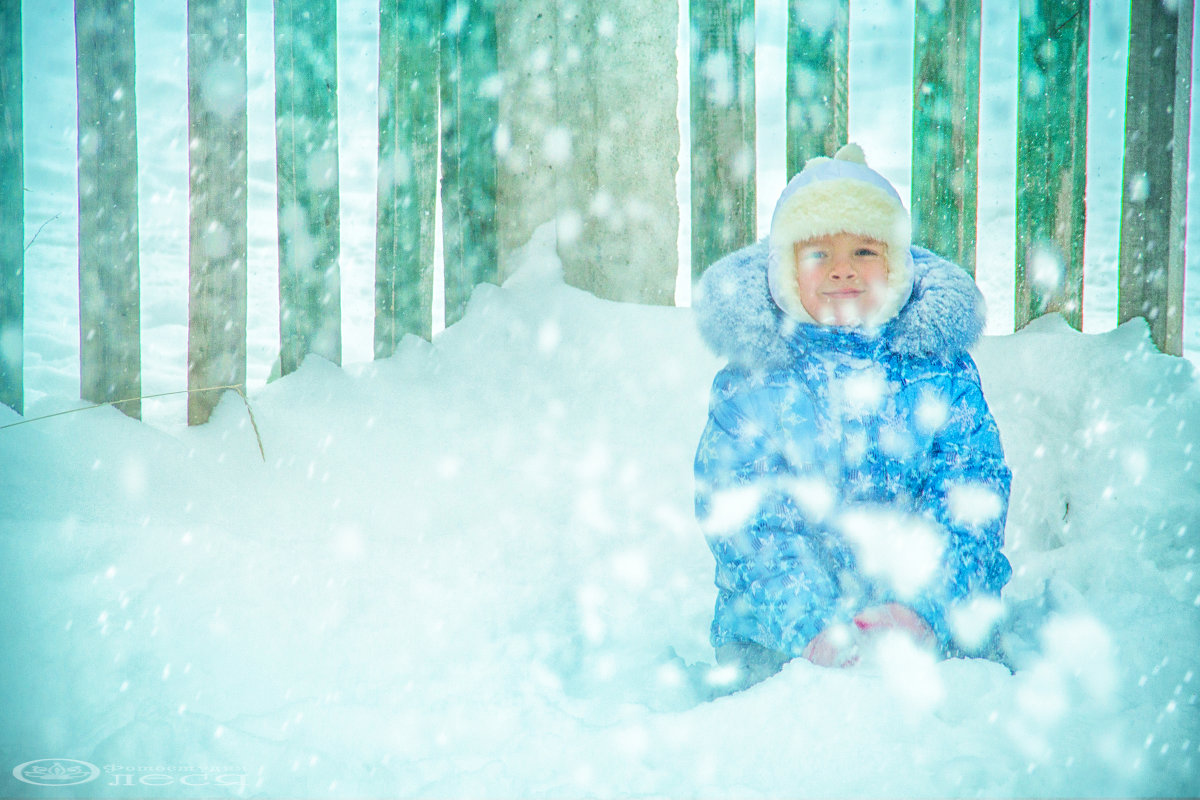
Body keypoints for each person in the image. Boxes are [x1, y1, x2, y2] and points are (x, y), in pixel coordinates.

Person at [692, 144, 1012, 684]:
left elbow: (969, 491)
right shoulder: (754, 382)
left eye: (865, 252)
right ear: (785, 272)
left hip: (929, 630)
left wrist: (921, 607)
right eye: (818, 254)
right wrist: (813, 624)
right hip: (778, 640)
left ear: (898, 264)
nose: (843, 271)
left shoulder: (937, 371)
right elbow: (747, 515)